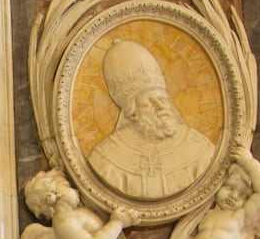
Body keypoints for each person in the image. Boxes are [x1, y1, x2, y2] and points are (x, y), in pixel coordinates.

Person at [86, 40, 216, 200]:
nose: (161, 106)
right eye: (149, 102)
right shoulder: (105, 158)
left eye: (163, 99)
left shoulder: (199, 148)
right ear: (132, 111)